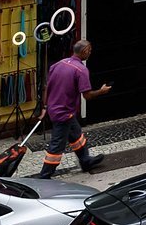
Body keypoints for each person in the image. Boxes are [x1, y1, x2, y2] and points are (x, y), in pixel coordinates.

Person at [37, 40, 108, 178]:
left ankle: (86, 161)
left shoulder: (58, 64)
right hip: (64, 114)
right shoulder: (81, 70)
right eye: (90, 50)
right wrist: (101, 91)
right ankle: (44, 175)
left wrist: (45, 107)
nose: (90, 53)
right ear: (84, 51)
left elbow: (47, 87)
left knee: (76, 135)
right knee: (57, 146)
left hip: (55, 109)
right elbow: (87, 96)